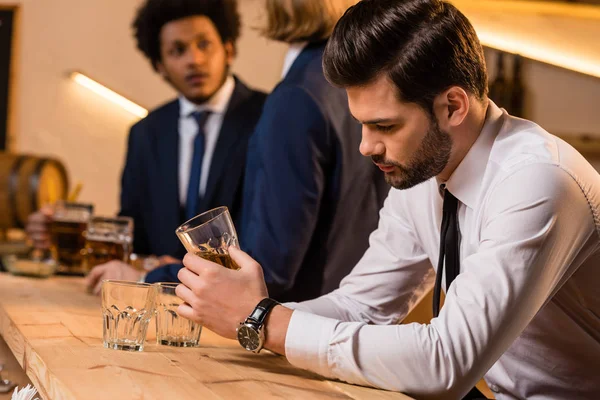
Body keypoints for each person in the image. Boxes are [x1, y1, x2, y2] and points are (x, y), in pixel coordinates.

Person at [172, 0, 600, 399]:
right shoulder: (424, 172)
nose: (366, 147)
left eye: (385, 126)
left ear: (453, 106)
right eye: (361, 124)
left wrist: (264, 320)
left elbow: (446, 362)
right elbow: (361, 306)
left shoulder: (537, 181)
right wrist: (243, 314)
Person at [146, 0, 389, 302]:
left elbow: (267, 270)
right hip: (345, 318)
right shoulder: (358, 81)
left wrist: (154, 276)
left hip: (292, 324)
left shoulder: (297, 97)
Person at [76, 0, 267, 293]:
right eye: (177, 50)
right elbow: (134, 230)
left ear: (229, 49)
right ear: (159, 66)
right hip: (162, 310)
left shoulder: (267, 117)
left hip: (245, 303)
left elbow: (270, 234)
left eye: (204, 44)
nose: (194, 59)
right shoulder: (145, 132)